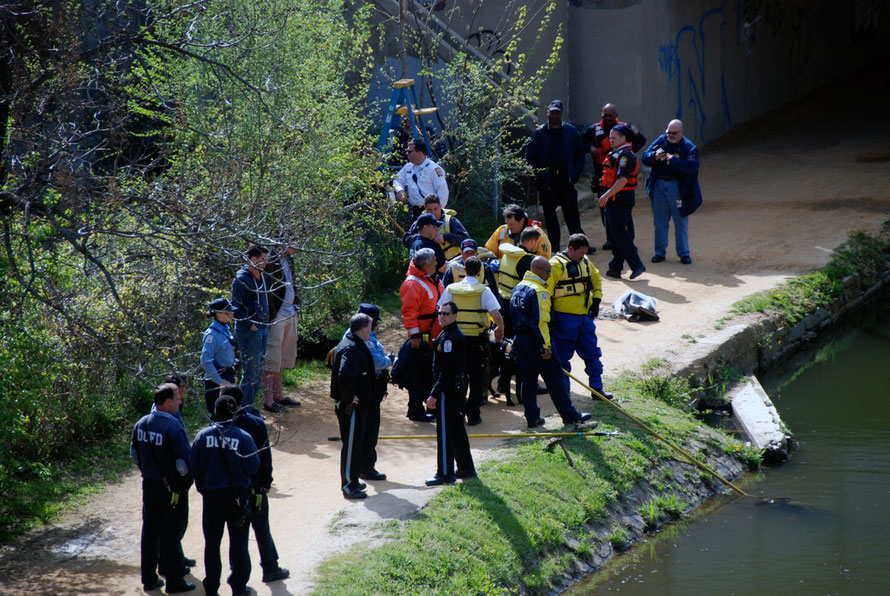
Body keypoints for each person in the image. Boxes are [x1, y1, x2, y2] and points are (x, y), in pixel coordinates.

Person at [509, 256, 593, 428]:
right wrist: (546, 346)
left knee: (528, 379)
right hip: (537, 341)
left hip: (520, 340)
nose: (549, 276)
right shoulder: (539, 291)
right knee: (555, 378)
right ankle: (569, 415)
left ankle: (532, 417)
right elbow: (541, 322)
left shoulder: (517, 288)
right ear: (537, 270)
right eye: (547, 272)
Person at [191, 395, 260, 596]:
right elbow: (253, 466)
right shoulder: (244, 437)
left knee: (212, 543)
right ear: (234, 412)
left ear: (214, 411)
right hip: (237, 497)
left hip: (211, 498)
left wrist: (203, 487)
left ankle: (211, 588)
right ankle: (239, 587)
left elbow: (194, 466)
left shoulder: (202, 436)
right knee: (239, 542)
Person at [131, 383, 195, 593]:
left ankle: (149, 579)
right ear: (168, 402)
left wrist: (147, 471)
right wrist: (184, 485)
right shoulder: (173, 427)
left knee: (150, 532)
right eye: (177, 399)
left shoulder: (141, 424)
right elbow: (183, 464)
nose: (180, 401)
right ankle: (174, 581)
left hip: (149, 486)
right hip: (172, 489)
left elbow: (134, 455)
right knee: (171, 533)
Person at [223, 386, 290, 584]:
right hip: (254, 486)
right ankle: (270, 568)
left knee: (237, 535)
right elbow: (265, 455)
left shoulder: (219, 426)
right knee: (261, 527)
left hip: (231, 489)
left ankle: (238, 575)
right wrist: (267, 481)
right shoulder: (255, 423)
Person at [439, 257, 504, 426]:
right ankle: (473, 415)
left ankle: (457, 411)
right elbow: (496, 315)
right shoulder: (484, 290)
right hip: (477, 340)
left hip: (454, 339)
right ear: (480, 272)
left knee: (456, 376)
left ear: (464, 270)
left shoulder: (451, 289)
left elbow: (440, 310)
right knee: (476, 378)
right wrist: (499, 330)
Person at [548, 234, 613, 400]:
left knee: (593, 355)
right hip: (564, 320)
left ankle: (597, 390)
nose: (583, 257)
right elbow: (546, 292)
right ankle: (564, 395)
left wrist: (597, 298)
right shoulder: (555, 266)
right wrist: (550, 315)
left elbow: (596, 277)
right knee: (562, 360)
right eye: (580, 253)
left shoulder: (584, 262)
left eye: (584, 254)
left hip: (584, 319)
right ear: (570, 249)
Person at [424, 301, 476, 485]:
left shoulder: (449, 338)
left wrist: (434, 393)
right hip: (454, 388)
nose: (442, 316)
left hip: (448, 390)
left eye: (446, 313)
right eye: (440, 313)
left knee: (445, 431)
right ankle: (465, 468)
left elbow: (447, 370)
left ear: (455, 315)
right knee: (456, 429)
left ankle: (445, 473)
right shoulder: (448, 334)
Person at [525, 99, 586, 251]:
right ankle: (555, 245)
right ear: (548, 113)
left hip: (566, 180)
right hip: (548, 182)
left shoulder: (571, 131)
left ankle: (578, 244)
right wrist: (537, 177)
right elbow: (529, 156)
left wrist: (576, 173)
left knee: (571, 215)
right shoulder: (539, 133)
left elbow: (580, 154)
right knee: (550, 217)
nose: (554, 115)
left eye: (557, 113)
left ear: (561, 114)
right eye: (552, 112)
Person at [584, 103, 645, 252]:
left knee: (624, 212)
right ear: (601, 115)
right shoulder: (593, 129)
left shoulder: (626, 128)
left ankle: (628, 240)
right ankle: (611, 239)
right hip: (603, 174)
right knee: (605, 209)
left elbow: (641, 139)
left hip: (621, 174)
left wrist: (627, 152)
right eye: (605, 115)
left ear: (616, 116)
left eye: (611, 115)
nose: (608, 118)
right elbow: (581, 140)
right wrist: (590, 148)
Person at [341, 303, 392, 482]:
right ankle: (364, 469)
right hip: (366, 389)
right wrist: (390, 360)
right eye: (374, 322)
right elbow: (376, 360)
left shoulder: (364, 334)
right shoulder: (358, 337)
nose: (375, 325)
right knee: (367, 430)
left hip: (372, 388)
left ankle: (364, 468)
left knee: (370, 429)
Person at [641, 119, 702, 264]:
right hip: (659, 185)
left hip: (678, 188)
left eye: (674, 133)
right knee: (660, 221)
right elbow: (644, 156)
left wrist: (673, 161)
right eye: (669, 132)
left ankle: (684, 253)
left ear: (682, 132)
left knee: (680, 221)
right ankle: (660, 252)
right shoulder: (661, 141)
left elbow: (692, 169)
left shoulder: (689, 148)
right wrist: (654, 157)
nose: (671, 135)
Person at [330, 313, 376, 499]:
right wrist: (351, 399)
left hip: (357, 405)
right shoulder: (351, 348)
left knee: (356, 444)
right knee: (351, 446)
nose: (371, 331)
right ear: (363, 328)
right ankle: (349, 485)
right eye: (370, 327)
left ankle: (354, 479)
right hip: (352, 408)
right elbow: (345, 376)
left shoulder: (353, 343)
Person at [399, 248, 444, 422]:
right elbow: (409, 313)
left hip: (434, 336)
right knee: (418, 377)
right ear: (426, 265)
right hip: (422, 339)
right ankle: (416, 411)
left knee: (430, 375)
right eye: (434, 261)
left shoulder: (432, 278)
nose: (437, 262)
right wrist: (415, 336)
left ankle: (429, 407)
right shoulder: (413, 284)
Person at [597, 125, 646, 280]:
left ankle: (636, 264)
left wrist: (605, 195)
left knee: (619, 234)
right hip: (617, 199)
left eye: (614, 138)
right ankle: (615, 267)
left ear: (623, 138)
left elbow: (623, 180)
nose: (611, 141)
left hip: (619, 199)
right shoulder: (617, 153)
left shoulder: (625, 156)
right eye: (610, 138)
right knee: (615, 234)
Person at [262, 237, 302, 412]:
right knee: (272, 357)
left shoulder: (289, 260)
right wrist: (271, 314)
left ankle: (279, 395)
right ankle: (269, 399)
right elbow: (267, 289)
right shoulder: (270, 260)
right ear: (282, 244)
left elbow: (293, 283)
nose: (296, 247)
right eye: (292, 243)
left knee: (283, 357)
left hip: (290, 311)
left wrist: (296, 304)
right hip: (277, 315)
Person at [231, 244, 271, 410]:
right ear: (253, 259)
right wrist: (250, 325)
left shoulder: (261, 276)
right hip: (250, 331)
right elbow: (235, 307)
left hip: (263, 328)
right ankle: (243, 408)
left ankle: (250, 407)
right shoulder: (241, 278)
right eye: (263, 259)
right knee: (251, 371)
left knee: (258, 370)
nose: (266, 262)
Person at [393, 139, 449, 222]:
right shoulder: (408, 167)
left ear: (419, 153)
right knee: (411, 234)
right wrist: (400, 190)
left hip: (431, 211)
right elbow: (396, 180)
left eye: (410, 151)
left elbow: (443, 191)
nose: (407, 153)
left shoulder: (434, 169)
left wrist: (438, 212)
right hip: (416, 211)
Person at [402, 194, 469, 261]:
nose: (433, 212)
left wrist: (445, 237)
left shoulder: (451, 220)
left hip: (454, 262)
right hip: (432, 265)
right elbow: (406, 239)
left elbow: (465, 239)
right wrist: (422, 238)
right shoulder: (421, 221)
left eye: (435, 209)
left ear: (440, 206)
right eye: (429, 210)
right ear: (425, 208)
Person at [201, 298, 238, 415]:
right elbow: (205, 362)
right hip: (216, 382)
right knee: (217, 416)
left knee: (231, 414)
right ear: (219, 313)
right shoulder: (211, 335)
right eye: (229, 311)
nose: (232, 313)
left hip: (228, 377)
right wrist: (221, 382)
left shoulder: (226, 329)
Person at [483, 204, 552, 260]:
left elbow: (544, 258)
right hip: (503, 272)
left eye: (511, 224)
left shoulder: (536, 233)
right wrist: (492, 261)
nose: (508, 227)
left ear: (521, 221)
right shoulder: (502, 231)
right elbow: (488, 251)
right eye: (507, 223)